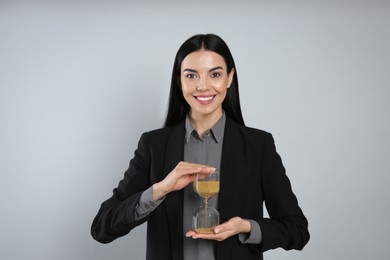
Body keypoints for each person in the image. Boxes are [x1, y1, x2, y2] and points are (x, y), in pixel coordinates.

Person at [91, 34, 310, 260]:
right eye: (191, 75)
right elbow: (101, 228)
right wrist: (160, 189)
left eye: (215, 74)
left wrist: (246, 227)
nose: (203, 86)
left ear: (229, 78)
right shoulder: (154, 145)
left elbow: (297, 230)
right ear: (179, 81)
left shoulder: (258, 145)